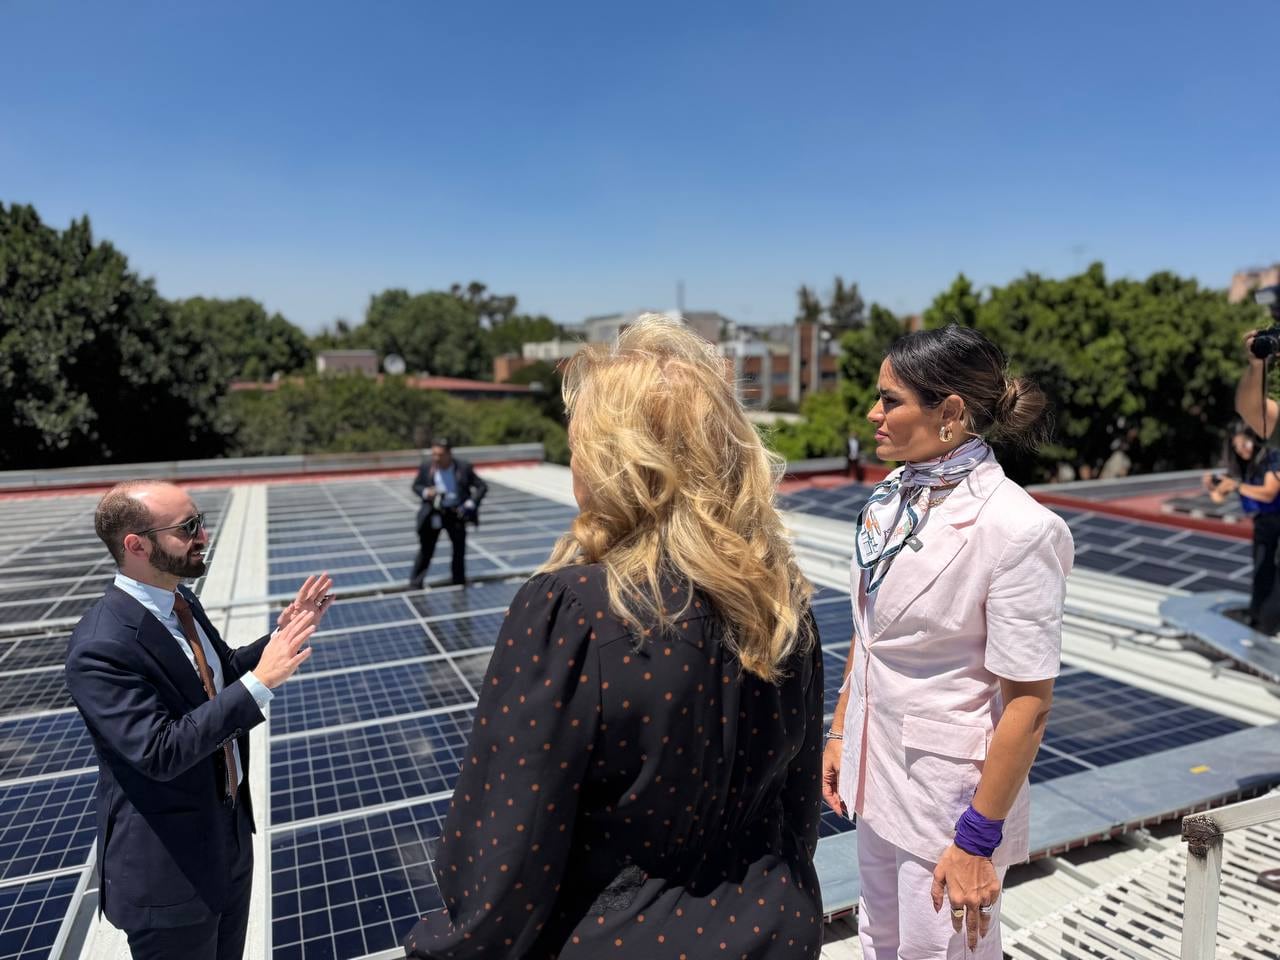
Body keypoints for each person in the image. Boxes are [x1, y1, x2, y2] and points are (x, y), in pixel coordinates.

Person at [403, 314, 824, 959]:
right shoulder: (783, 605)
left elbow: (503, 860)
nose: (572, 462)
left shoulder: (573, 611)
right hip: (774, 933)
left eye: (579, 445)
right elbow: (797, 817)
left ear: (616, 463)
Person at [822, 325, 1074, 958]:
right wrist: (840, 731)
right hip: (877, 773)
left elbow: (1029, 702)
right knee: (879, 940)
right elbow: (869, 627)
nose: (872, 415)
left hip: (948, 801)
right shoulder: (891, 501)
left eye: (890, 400)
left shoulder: (1018, 529)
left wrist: (976, 840)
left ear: (951, 413)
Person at [64, 481, 334, 960]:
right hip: (170, 873)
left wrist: (280, 636)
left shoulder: (180, 603)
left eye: (200, 521)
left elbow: (218, 674)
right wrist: (261, 683)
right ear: (136, 545)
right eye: (188, 527)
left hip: (227, 840)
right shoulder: (101, 645)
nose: (203, 536)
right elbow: (160, 752)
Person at [1204, 422, 1280, 631]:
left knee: (1274, 575)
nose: (1242, 450)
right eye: (1236, 447)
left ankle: (1268, 623)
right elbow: (1218, 498)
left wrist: (1237, 486)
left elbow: (1269, 492)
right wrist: (1214, 486)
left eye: (1244, 444)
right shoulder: (1241, 466)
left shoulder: (1272, 458)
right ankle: (1257, 617)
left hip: (1277, 520)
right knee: (1260, 572)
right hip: (1262, 523)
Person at [408, 438, 488, 588]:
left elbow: (482, 487)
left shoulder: (463, 467)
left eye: (440, 455)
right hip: (434, 513)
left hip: (456, 514)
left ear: (449, 454)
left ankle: (458, 583)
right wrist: (426, 492)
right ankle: (415, 584)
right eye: (434, 454)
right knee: (426, 550)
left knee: (459, 551)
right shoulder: (427, 467)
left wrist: (471, 503)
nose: (436, 458)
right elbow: (416, 486)